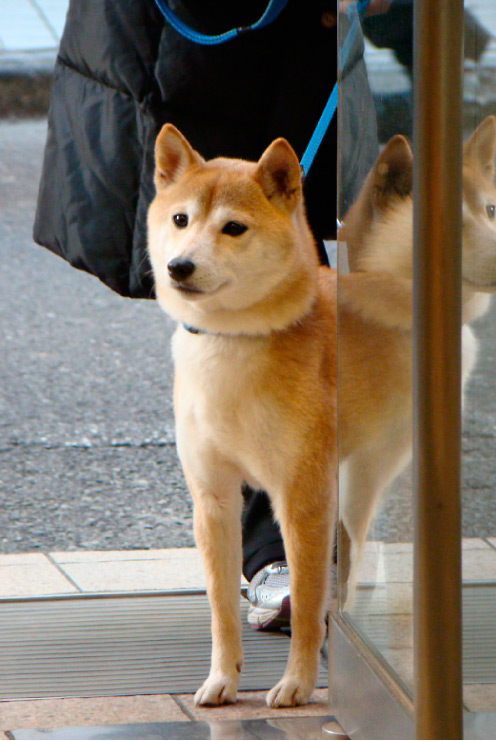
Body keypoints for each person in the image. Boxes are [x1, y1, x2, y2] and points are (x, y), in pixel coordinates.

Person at [33, 0, 379, 630]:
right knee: (209, 249)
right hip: (189, 27)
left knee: (283, 245)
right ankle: (276, 547)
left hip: (294, 32)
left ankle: (294, 542)